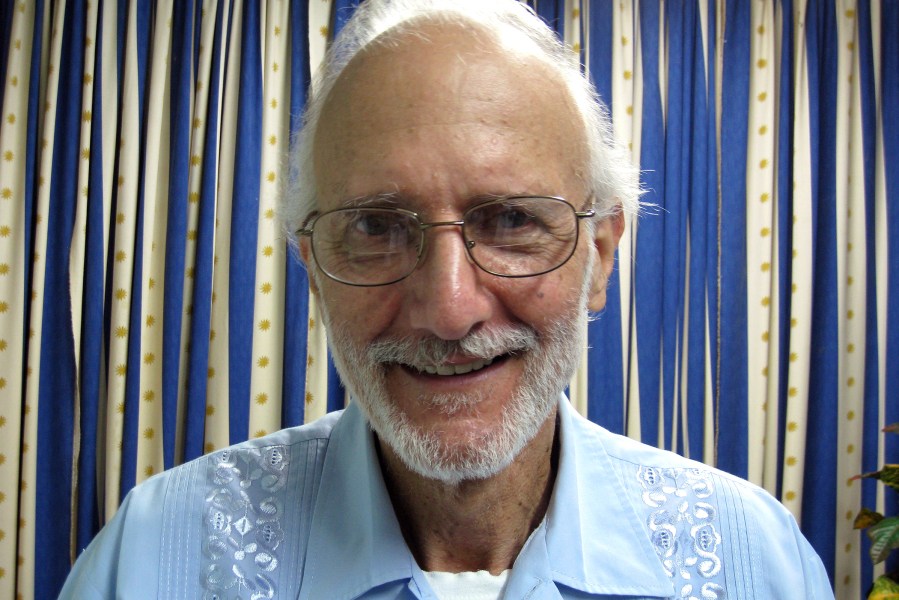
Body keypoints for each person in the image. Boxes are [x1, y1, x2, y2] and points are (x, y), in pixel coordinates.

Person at [61, 0, 834, 598]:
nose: (449, 308)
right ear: (314, 270)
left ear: (599, 259)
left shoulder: (754, 561)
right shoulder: (152, 555)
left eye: (510, 220)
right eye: (374, 226)